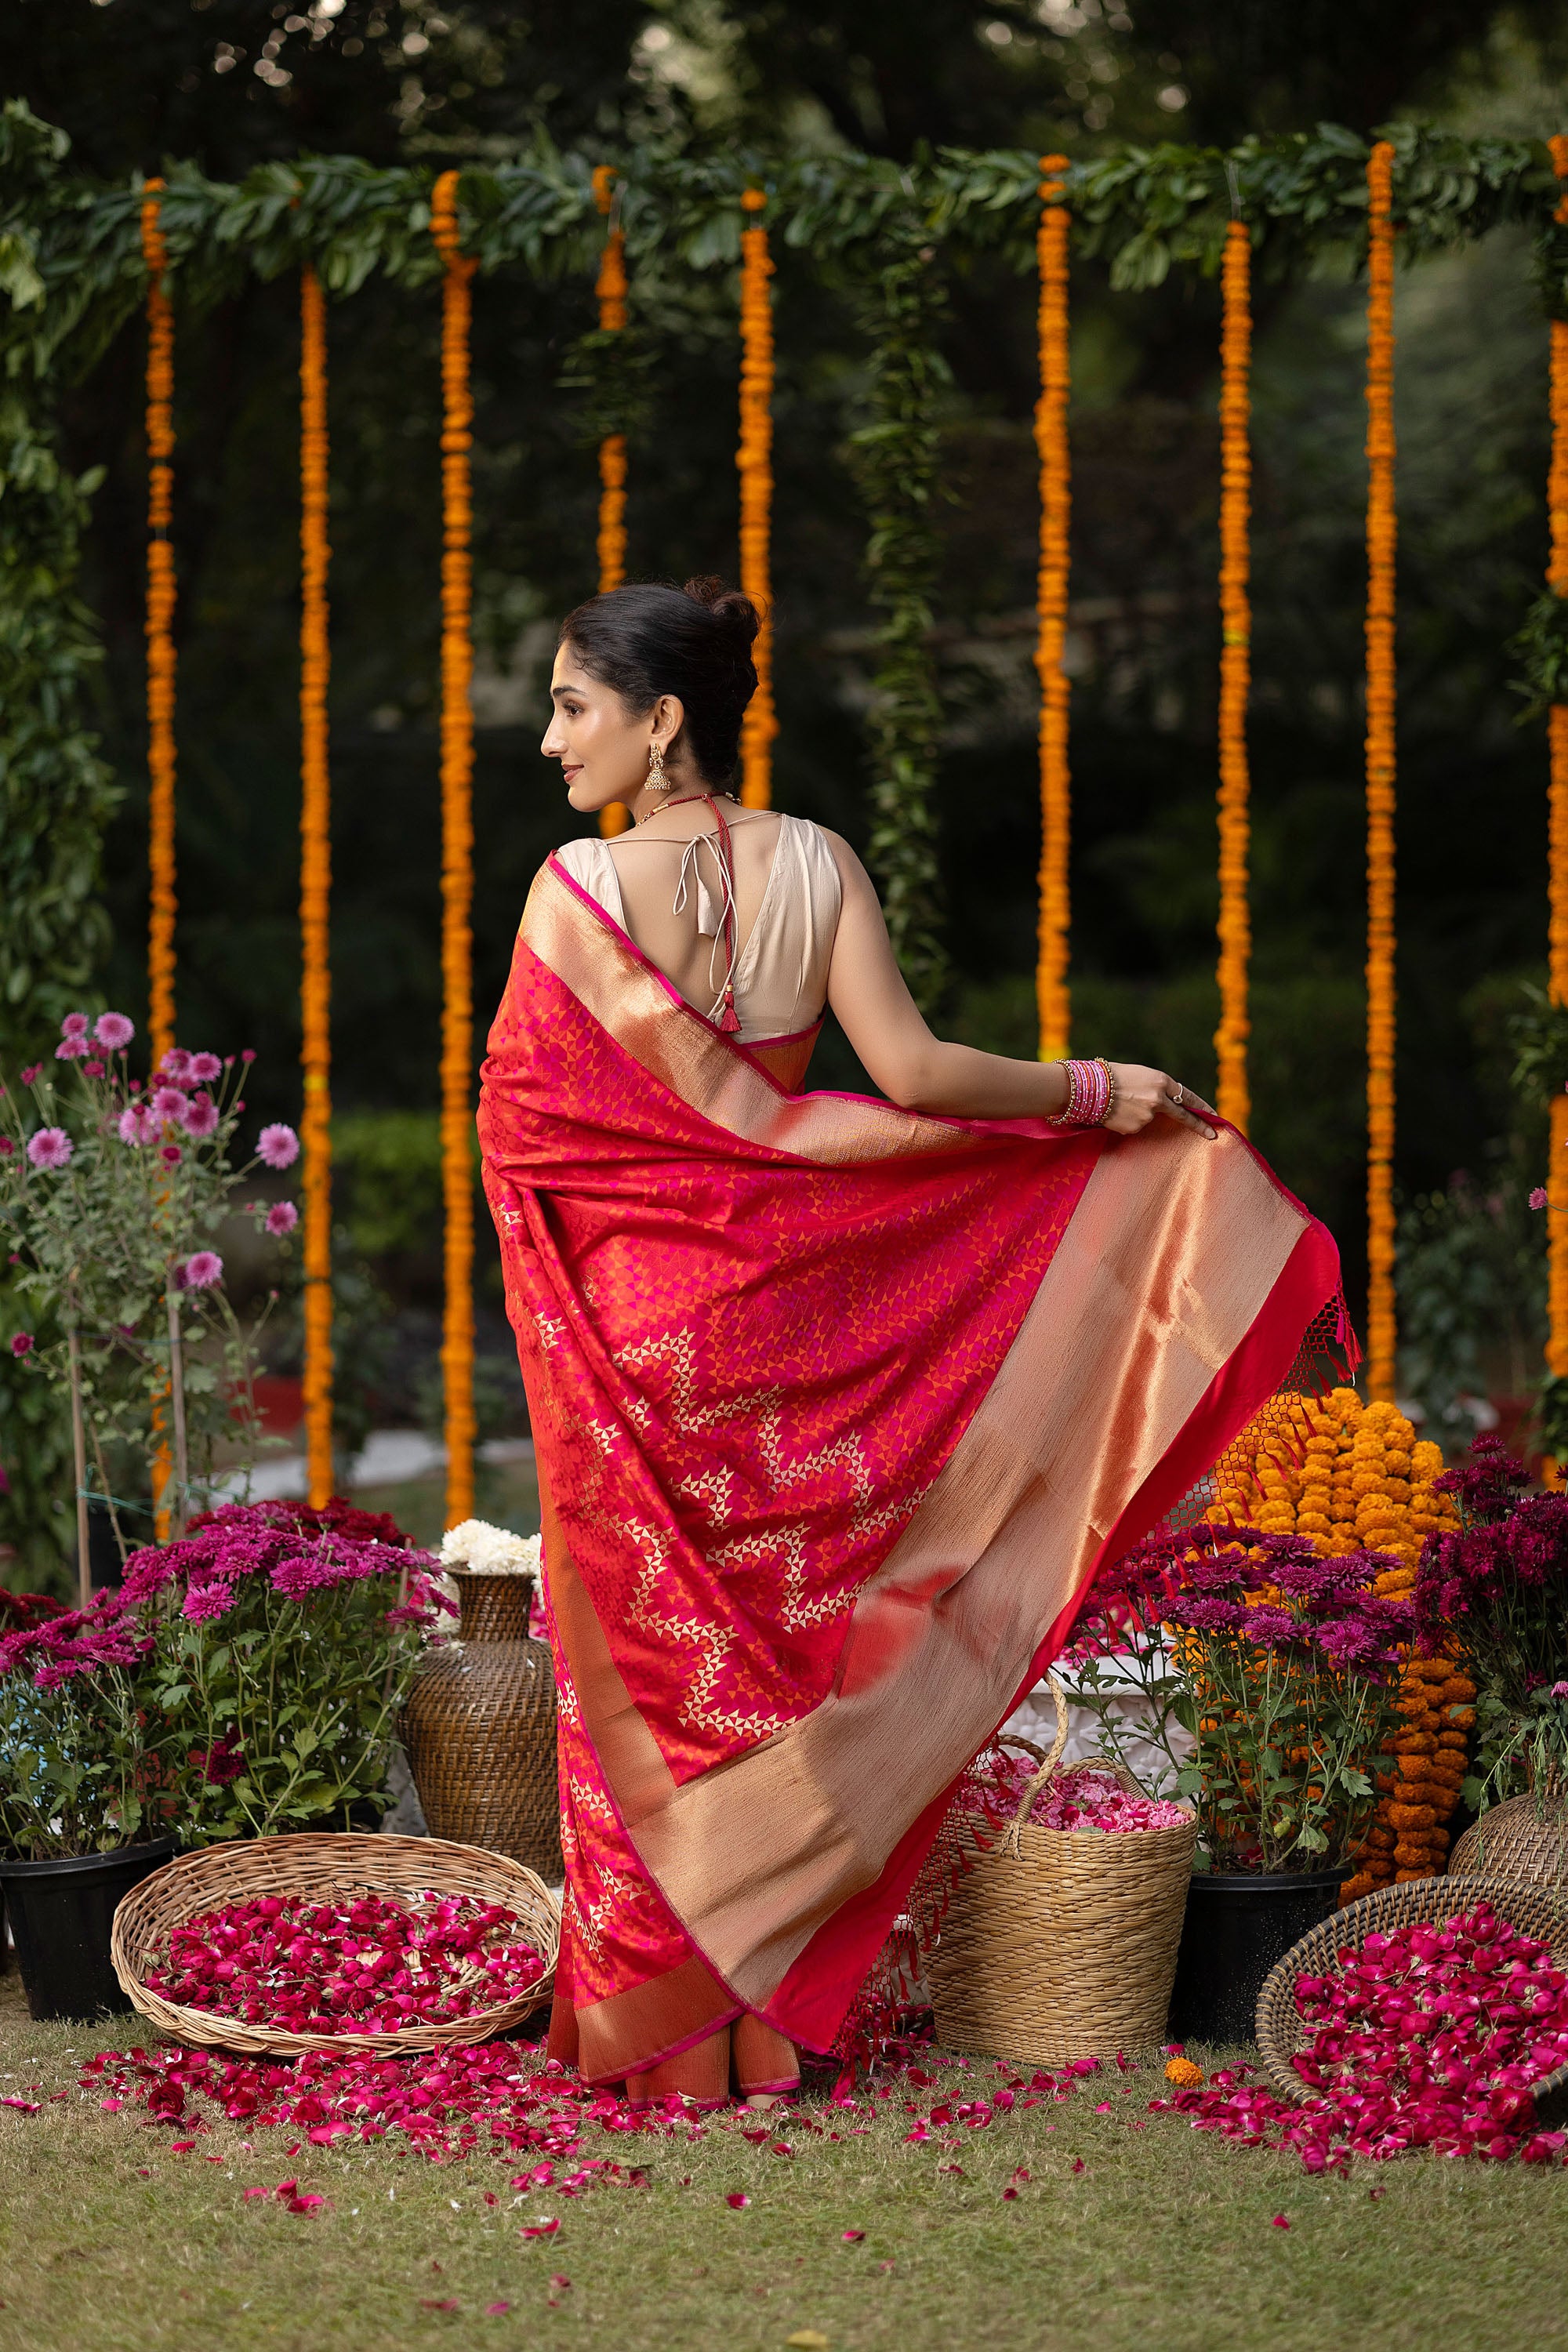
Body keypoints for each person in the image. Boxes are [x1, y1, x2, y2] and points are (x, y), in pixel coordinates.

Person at [478, 575, 1341, 2111]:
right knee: (794, 1666)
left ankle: (674, 2048)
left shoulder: (572, 898)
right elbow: (921, 1070)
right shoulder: (818, 862)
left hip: (639, 1344)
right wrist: (1095, 1093)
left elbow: (528, 1132)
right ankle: (764, 2027)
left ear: (659, 719)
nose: (550, 742)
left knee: (660, 1690)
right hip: (795, 1326)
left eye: (571, 706)